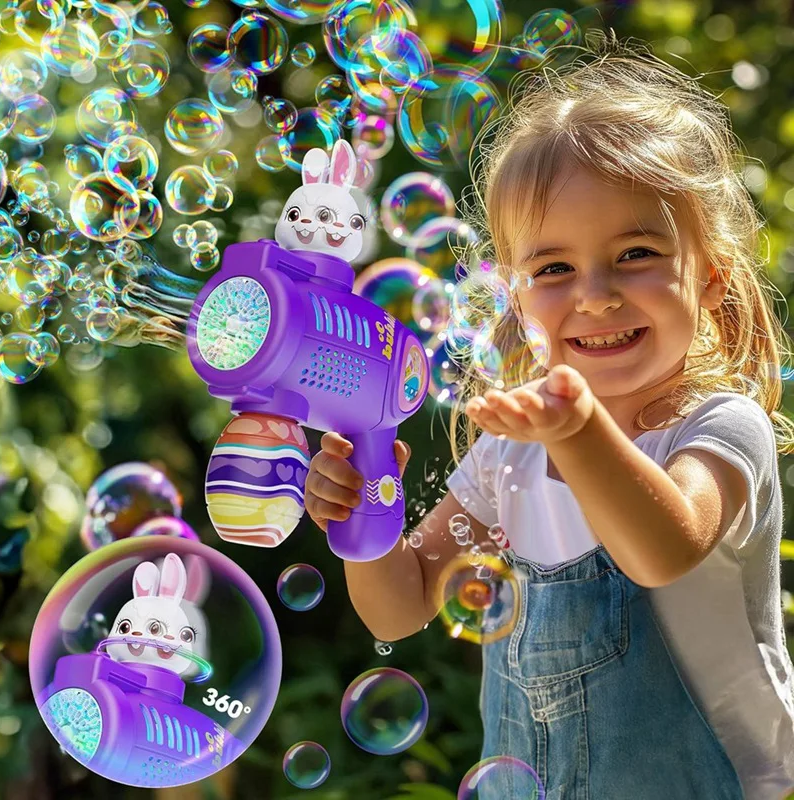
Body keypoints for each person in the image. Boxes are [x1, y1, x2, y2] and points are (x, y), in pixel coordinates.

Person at [304, 30, 794, 800]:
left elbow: (664, 548)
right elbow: (402, 603)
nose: (596, 293)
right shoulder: (511, 457)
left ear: (710, 281)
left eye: (636, 254)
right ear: (515, 297)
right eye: (554, 268)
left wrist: (578, 430)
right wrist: (363, 515)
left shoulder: (719, 427)